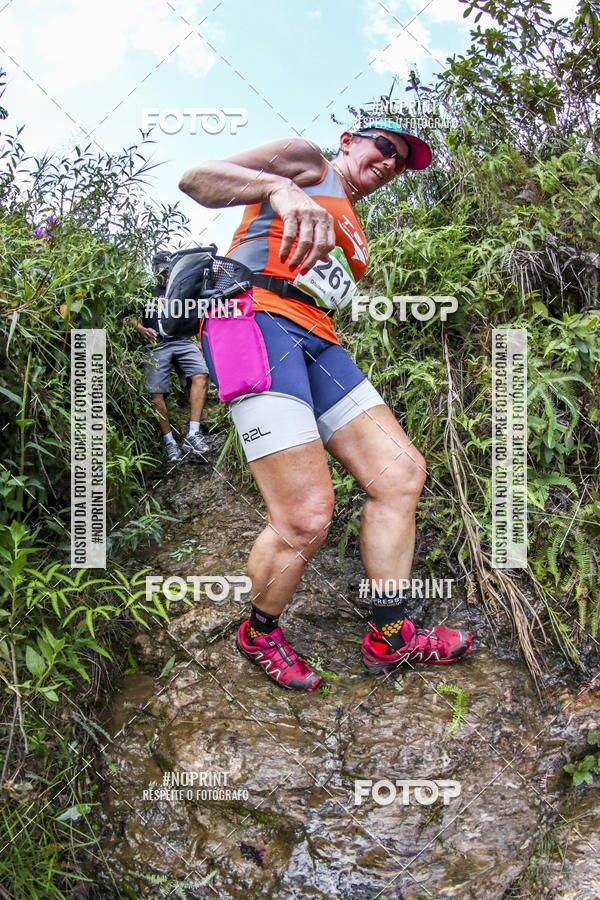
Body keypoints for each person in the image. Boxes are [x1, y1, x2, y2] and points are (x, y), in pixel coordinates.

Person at [178, 118, 472, 692]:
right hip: (252, 320)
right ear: (350, 141)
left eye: (401, 162)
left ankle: (391, 638)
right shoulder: (305, 158)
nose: (389, 163)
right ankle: (259, 632)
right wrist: (277, 188)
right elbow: (196, 179)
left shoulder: (357, 224)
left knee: (401, 476)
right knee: (306, 516)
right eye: (385, 147)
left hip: (319, 340)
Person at [132, 251, 211, 463]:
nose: (165, 275)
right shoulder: (145, 292)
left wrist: (200, 341)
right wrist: (141, 329)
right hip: (157, 345)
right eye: (162, 271)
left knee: (201, 374)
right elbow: (129, 317)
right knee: (155, 393)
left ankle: (193, 433)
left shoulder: (180, 289)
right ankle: (169, 442)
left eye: (168, 271)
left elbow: (195, 316)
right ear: (154, 270)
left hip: (183, 340)